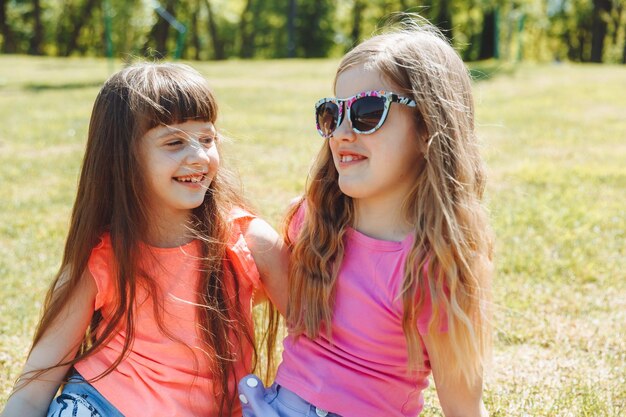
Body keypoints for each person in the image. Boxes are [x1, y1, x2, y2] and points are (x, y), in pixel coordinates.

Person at [238, 16, 493, 417]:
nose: (341, 132)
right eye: (332, 113)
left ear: (428, 128)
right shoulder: (312, 221)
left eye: (368, 111)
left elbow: (463, 406)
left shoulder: (434, 268)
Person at [1, 62, 288, 417]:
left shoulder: (248, 240)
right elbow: (35, 386)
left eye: (207, 138)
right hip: (103, 406)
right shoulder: (103, 259)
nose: (199, 156)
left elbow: (321, 339)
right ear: (124, 159)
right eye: (174, 142)